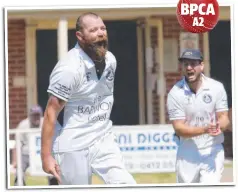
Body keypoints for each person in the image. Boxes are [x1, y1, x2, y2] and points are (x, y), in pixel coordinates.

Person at [41, 12, 136, 185]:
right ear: (80, 36)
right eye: (93, 30)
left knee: (127, 185)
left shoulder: (111, 61)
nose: (101, 33)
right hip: (72, 144)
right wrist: (46, 156)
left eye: (103, 28)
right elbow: (50, 112)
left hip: (103, 138)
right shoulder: (69, 69)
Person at [166, 49, 230, 183]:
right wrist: (206, 129)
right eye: (185, 64)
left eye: (193, 63)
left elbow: (224, 117)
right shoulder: (175, 93)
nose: (189, 67)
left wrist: (220, 126)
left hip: (212, 150)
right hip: (188, 152)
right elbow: (179, 128)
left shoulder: (216, 88)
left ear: (202, 65)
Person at [12, 105, 59, 186]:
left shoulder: (46, 122)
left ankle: (54, 186)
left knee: (52, 168)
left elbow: (55, 139)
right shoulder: (23, 125)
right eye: (34, 115)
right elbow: (17, 145)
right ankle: (19, 186)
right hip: (27, 154)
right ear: (29, 116)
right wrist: (15, 161)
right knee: (19, 170)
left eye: (38, 115)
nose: (36, 117)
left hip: (44, 152)